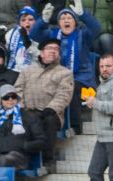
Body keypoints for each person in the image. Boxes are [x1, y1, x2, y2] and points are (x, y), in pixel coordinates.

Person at [30, 0, 101, 135]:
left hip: (81, 79)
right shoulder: (52, 34)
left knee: (70, 87)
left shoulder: (83, 34)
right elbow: (34, 34)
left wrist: (83, 14)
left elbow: (96, 28)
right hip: (56, 77)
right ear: (58, 23)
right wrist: (43, 20)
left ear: (75, 22)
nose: (66, 20)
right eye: (62, 18)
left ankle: (75, 127)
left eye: (69, 18)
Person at [15, 38, 73, 167]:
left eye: (56, 49)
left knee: (49, 120)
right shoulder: (27, 70)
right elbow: (18, 89)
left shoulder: (65, 73)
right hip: (28, 111)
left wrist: (51, 108)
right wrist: (22, 107)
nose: (53, 51)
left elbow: (64, 94)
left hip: (51, 113)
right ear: (41, 52)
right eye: (49, 48)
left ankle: (48, 159)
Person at [0, 84, 46, 169]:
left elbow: (41, 141)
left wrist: (24, 145)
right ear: (0, 100)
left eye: (13, 96)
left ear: (17, 99)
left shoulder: (30, 116)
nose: (10, 99)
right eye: (6, 97)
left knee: (4, 161)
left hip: (20, 156)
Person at [5, 6, 39, 73]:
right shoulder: (11, 34)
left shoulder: (41, 35)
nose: (27, 22)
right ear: (19, 22)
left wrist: (30, 46)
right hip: (12, 71)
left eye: (30, 19)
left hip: (32, 73)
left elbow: (40, 57)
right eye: (23, 20)